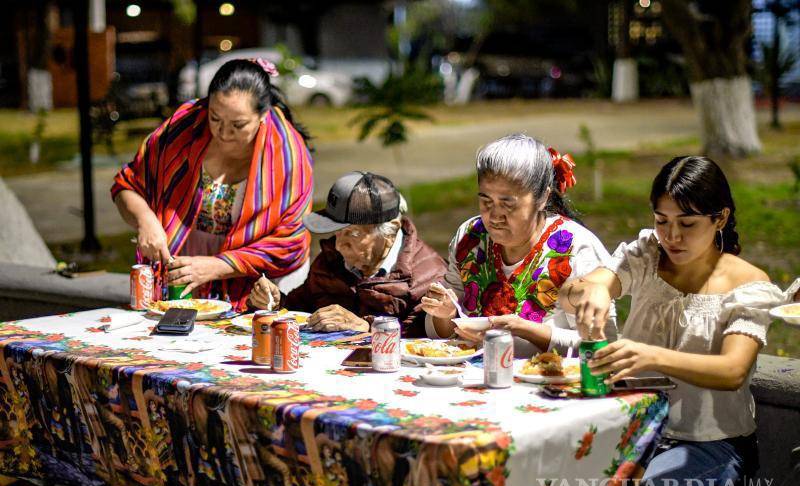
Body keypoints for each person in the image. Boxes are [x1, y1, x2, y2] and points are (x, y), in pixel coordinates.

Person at [559, 156, 786, 486]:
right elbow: (572, 292)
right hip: (637, 430)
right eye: (661, 221)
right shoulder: (648, 256)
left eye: (687, 223)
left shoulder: (748, 284)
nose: (672, 236)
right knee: (559, 484)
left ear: (720, 218)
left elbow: (732, 371)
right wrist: (591, 290)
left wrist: (651, 356)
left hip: (713, 444)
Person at [111, 58, 313, 311]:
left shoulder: (287, 156)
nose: (224, 133)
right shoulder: (183, 129)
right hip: (181, 278)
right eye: (215, 118)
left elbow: (290, 240)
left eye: (238, 125)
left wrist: (217, 266)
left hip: (260, 286)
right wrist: (145, 221)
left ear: (263, 114)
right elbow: (127, 185)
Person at [420, 133, 616, 355]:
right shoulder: (471, 237)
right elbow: (440, 333)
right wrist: (444, 314)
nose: (495, 216)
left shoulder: (576, 248)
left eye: (508, 204)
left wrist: (524, 329)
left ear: (543, 198)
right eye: (486, 201)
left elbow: (602, 345)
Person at [250, 171, 447, 336]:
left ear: (391, 231)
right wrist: (275, 302)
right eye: (336, 232)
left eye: (353, 233)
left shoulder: (427, 276)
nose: (339, 245)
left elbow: (425, 339)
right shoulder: (331, 259)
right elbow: (300, 308)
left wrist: (367, 327)